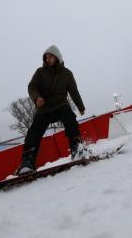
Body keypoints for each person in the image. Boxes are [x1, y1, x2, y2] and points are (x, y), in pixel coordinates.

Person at [15, 45, 86, 175]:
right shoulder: (40, 72)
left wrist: (81, 107)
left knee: (70, 119)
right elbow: (32, 87)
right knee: (34, 131)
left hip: (60, 105)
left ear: (57, 57)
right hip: (44, 108)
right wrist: (36, 98)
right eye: (46, 57)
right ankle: (27, 162)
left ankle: (77, 149)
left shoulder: (67, 74)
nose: (47, 59)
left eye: (50, 56)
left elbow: (74, 92)